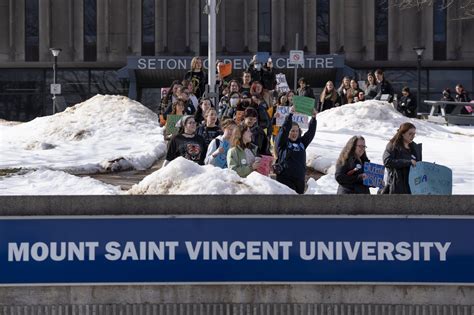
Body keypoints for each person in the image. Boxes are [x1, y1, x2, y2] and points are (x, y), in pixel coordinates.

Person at [274, 106, 317, 194]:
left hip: (300, 179)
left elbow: (310, 133)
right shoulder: (282, 143)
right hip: (285, 179)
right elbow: (284, 130)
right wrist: (290, 115)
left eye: (296, 131)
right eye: (292, 131)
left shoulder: (302, 143)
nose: (295, 133)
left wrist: (313, 118)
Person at [382, 122, 422, 194]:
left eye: (414, 134)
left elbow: (418, 165)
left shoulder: (414, 148)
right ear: (402, 133)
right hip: (397, 186)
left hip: (411, 187)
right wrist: (408, 162)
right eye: (410, 134)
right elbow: (387, 161)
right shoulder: (393, 145)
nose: (412, 136)